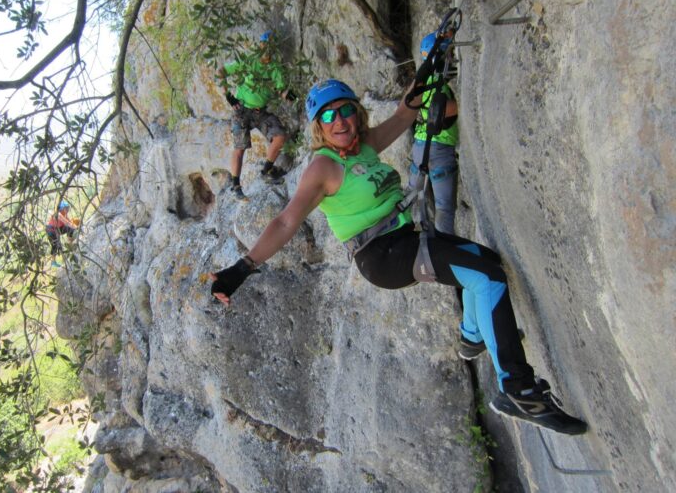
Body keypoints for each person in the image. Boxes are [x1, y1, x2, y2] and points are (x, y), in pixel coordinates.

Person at [209, 73, 588, 435]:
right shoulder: (324, 166)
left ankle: (472, 337)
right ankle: (518, 390)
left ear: (356, 115)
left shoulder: (364, 144)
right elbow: (286, 222)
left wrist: (433, 58)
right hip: (383, 256)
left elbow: (406, 113)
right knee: (486, 279)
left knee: (487, 263)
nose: (339, 120)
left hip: (404, 239)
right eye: (328, 115)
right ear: (318, 127)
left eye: (345, 111)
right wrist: (243, 268)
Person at [217, 30, 290, 201]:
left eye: (271, 47)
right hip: (241, 109)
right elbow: (221, 72)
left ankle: (266, 171)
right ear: (260, 46)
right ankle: (236, 186)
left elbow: (282, 91)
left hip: (260, 112)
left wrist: (298, 97)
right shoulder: (248, 61)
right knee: (240, 147)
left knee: (279, 136)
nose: (267, 50)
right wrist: (228, 95)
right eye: (265, 45)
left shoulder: (276, 69)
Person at [408, 32, 459, 234]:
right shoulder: (438, 82)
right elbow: (448, 109)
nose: (453, 57)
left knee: (413, 198)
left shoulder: (422, 81)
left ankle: (419, 243)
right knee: (444, 208)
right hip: (439, 147)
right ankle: (444, 251)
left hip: (420, 147)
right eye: (450, 52)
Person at [45, 201, 77, 267]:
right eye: (66, 208)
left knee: (70, 229)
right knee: (55, 246)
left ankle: (69, 243)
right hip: (51, 231)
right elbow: (67, 223)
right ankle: (53, 262)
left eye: (68, 208)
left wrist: (75, 227)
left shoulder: (64, 214)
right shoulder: (59, 214)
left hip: (58, 229)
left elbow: (69, 222)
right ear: (62, 209)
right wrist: (77, 228)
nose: (68, 210)